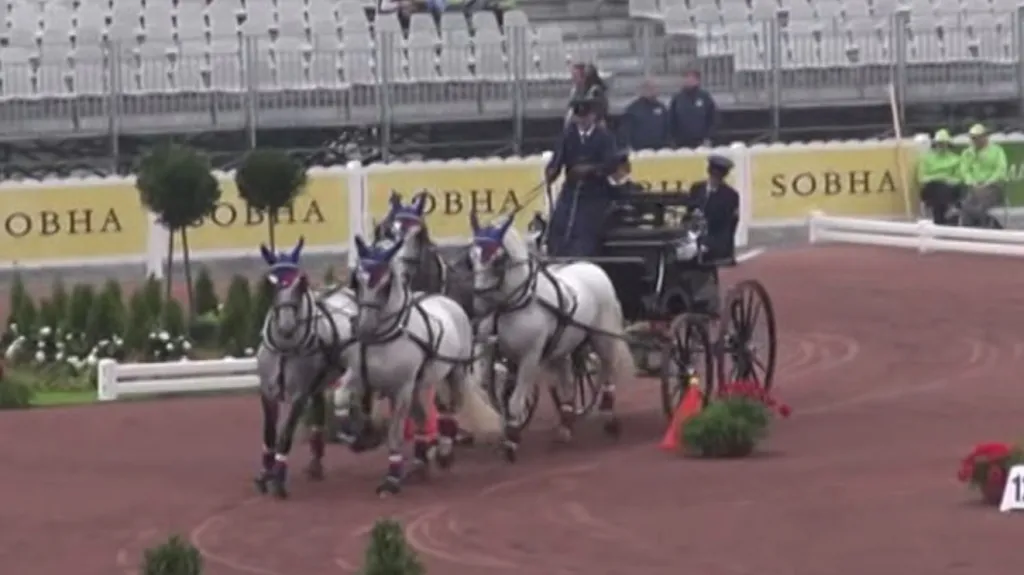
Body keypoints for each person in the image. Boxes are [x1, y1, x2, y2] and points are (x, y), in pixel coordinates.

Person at [544, 95, 619, 257]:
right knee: (559, 222)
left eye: (585, 116)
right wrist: (551, 172)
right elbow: (557, 159)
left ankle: (581, 258)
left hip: (595, 193)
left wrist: (590, 169)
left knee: (584, 226)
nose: (582, 120)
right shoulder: (567, 136)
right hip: (571, 191)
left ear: (592, 116)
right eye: (579, 117)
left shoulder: (604, 137)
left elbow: (611, 164)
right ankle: (555, 254)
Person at [678, 154, 740, 315]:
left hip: (715, 237)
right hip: (693, 233)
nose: (715, 178)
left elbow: (724, 225)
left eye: (718, 175)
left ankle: (705, 298)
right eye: (713, 174)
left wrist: (705, 241)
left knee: (697, 252)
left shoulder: (730, 195)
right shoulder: (697, 189)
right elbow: (687, 214)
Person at [959, 124, 1008, 228]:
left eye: (977, 138)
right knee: (966, 205)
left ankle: (983, 228)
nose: (975, 141)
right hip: (973, 187)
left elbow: (1001, 170)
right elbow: (964, 171)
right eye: (973, 138)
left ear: (985, 137)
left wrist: (987, 183)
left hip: (993, 186)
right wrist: (972, 182)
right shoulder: (967, 153)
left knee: (980, 204)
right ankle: (969, 231)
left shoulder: (997, 150)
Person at [917, 129, 965, 225]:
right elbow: (922, 178)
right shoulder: (926, 159)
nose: (941, 146)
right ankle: (948, 212)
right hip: (931, 189)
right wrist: (941, 177)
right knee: (937, 187)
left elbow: (958, 179)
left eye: (943, 143)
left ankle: (940, 219)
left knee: (942, 191)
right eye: (939, 143)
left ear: (948, 144)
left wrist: (938, 178)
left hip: (949, 190)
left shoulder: (956, 159)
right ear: (935, 144)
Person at [668, 69, 717, 149]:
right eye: (687, 77)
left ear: (698, 81)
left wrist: (709, 137)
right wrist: (672, 140)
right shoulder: (677, 98)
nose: (688, 80)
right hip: (681, 144)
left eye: (692, 78)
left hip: (701, 143)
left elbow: (713, 119)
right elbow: (671, 120)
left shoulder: (705, 97)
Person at [619, 79, 670, 151]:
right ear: (643, 90)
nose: (652, 90)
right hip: (639, 152)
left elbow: (667, 128)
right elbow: (625, 131)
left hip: (659, 152)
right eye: (649, 88)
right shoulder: (633, 109)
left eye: (655, 88)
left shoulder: (662, 107)